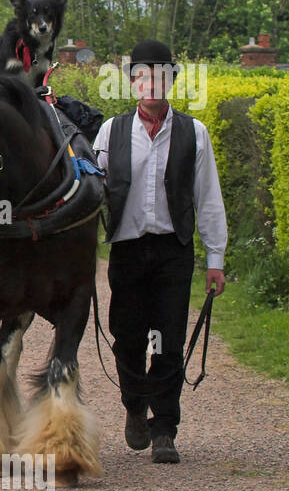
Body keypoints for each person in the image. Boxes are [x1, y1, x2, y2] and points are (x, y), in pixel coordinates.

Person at [93, 40, 227, 464]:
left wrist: (215, 260)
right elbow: (90, 193)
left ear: (171, 81)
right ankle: (134, 406)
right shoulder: (111, 132)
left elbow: (208, 199)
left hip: (173, 251)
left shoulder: (194, 133)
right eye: (143, 76)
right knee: (128, 338)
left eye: (160, 76)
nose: (152, 84)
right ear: (133, 82)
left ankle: (164, 427)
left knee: (168, 340)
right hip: (128, 251)